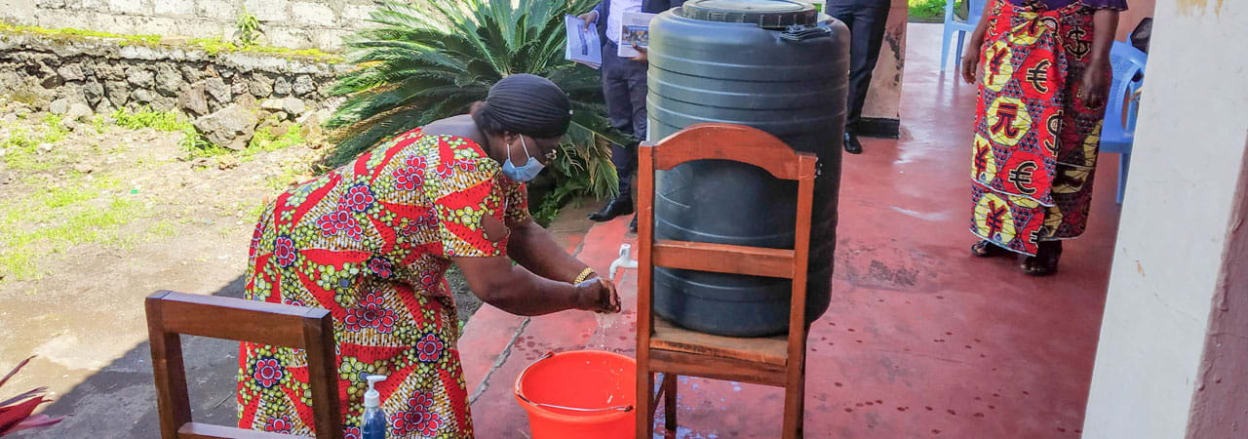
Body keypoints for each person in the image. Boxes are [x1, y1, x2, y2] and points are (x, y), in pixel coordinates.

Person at [235, 74, 621, 437]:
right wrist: (575, 298)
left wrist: (583, 276)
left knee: (417, 336)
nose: (546, 162)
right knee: (376, 354)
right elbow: (496, 285)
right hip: (314, 251)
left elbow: (520, 229)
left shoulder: (491, 144)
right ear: (509, 132)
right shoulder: (464, 167)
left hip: (343, 241)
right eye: (545, 151)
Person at [962, 0, 1125, 275]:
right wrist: (975, 42)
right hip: (1009, 53)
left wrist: (1098, 63)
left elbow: (1107, 6)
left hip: (1068, 56)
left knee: (1061, 148)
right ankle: (1001, 232)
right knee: (1001, 149)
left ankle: (1047, 242)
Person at [580, 0, 685, 232]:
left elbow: (680, 14)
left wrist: (658, 51)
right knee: (618, 129)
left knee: (644, 132)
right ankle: (621, 198)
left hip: (643, 59)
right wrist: (595, 14)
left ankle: (648, 206)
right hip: (612, 54)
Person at [825, 0, 892, 155]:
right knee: (829, 63)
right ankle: (826, 123)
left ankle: (849, 128)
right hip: (839, 3)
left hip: (872, 5)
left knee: (862, 68)